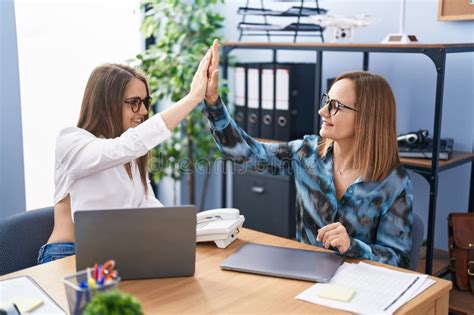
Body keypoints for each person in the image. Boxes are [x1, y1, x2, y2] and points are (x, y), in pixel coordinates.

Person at [201, 41, 413, 268]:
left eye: (335, 106)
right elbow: (245, 154)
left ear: (367, 118)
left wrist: (352, 245)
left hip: (359, 285)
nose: (323, 111)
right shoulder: (307, 154)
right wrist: (213, 103)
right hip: (306, 276)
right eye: (326, 101)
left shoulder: (394, 182)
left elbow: (397, 258)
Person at [37, 46, 218, 264]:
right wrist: (192, 98)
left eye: (145, 102)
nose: (143, 111)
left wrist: (187, 232)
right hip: (67, 255)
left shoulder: (131, 157)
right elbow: (124, 147)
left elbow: (147, 207)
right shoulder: (72, 141)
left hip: (112, 255)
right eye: (134, 102)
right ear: (106, 104)